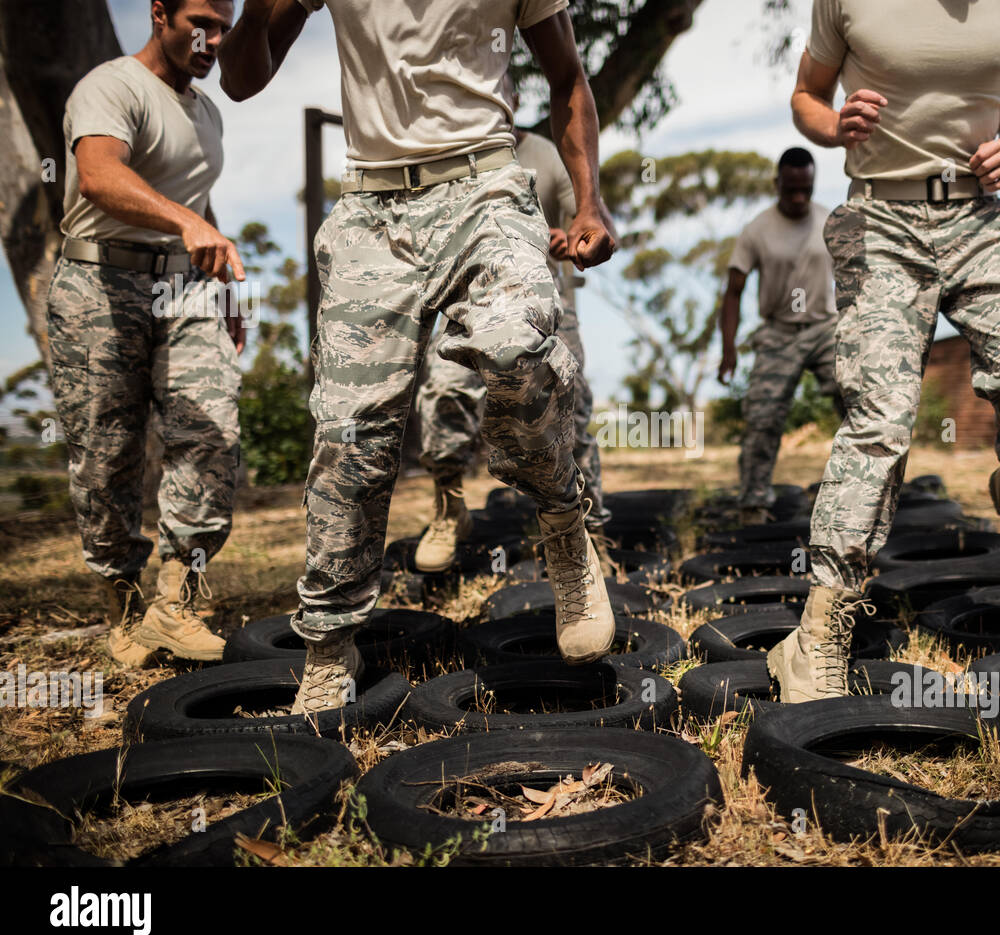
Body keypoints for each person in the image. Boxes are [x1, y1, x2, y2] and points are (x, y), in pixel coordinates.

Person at [219, 0, 619, 714]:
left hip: (486, 187)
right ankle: (330, 641)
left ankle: (563, 522)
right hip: (373, 208)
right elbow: (242, 81)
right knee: (352, 436)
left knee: (514, 347)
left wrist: (591, 201)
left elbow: (567, 77)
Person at [770, 0, 1000, 702]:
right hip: (881, 215)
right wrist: (831, 125)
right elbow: (807, 96)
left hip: (980, 219)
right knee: (880, 420)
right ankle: (819, 631)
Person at [46, 0, 245, 667]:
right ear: (159, 14)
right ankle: (122, 604)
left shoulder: (207, 111)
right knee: (109, 455)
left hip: (183, 285)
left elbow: (195, 201)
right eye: (200, 21)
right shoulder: (111, 87)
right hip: (100, 285)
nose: (213, 38)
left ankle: (176, 600)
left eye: (224, 26)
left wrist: (218, 269)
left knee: (212, 427)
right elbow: (100, 176)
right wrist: (188, 225)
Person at [411, 75, 612, 575]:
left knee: (573, 412)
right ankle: (449, 507)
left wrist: (572, 239)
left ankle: (591, 533)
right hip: (469, 307)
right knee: (442, 394)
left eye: (501, 93)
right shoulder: (453, 159)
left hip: (548, 311)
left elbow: (593, 224)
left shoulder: (548, 155)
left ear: (515, 100)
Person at [718, 146, 842, 525]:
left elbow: (858, 277)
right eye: (791, 190)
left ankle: (857, 493)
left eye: (807, 188)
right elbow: (734, 292)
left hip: (826, 328)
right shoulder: (757, 230)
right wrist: (728, 351)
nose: (800, 197)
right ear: (777, 184)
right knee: (763, 418)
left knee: (860, 403)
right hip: (778, 333)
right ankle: (753, 505)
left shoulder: (830, 222)